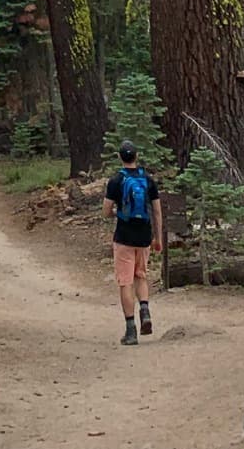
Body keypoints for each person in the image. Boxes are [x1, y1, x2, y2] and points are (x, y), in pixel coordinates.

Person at [104, 139, 161, 345]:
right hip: (144, 236)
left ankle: (130, 330)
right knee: (141, 276)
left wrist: (118, 214)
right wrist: (158, 238)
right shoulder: (148, 179)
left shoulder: (116, 181)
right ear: (136, 156)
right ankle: (144, 310)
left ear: (120, 157)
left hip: (124, 237)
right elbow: (157, 211)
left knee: (125, 282)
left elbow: (106, 211)